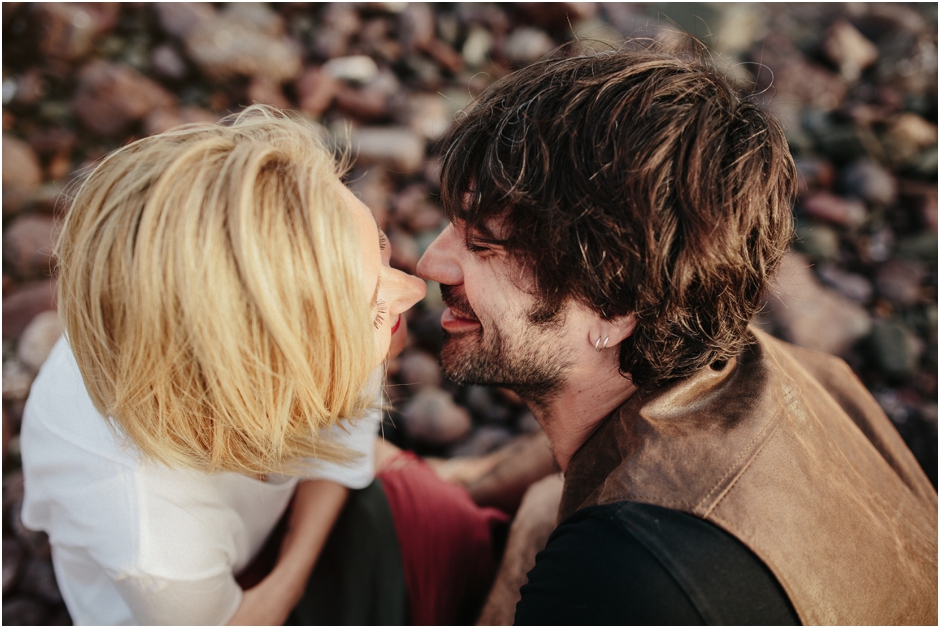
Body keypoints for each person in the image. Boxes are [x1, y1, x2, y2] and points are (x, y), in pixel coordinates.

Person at [416, 47, 938, 625]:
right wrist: (465, 480)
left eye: (482, 243)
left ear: (613, 305)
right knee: (542, 507)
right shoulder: (784, 369)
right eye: (450, 221)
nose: (428, 262)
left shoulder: (621, 576)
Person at [20, 106, 507, 626]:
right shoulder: (151, 535)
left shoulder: (311, 301)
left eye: (382, 249)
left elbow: (344, 434)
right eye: (371, 305)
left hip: (269, 515)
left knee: (453, 531)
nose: (414, 289)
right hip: (210, 607)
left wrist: (308, 525)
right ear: (262, 374)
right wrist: (292, 573)